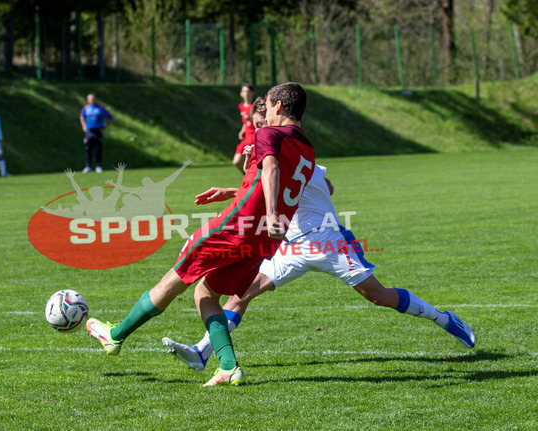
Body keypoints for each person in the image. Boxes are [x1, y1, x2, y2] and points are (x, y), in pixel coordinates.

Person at [162, 101, 476, 372]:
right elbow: (274, 187)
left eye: (262, 123)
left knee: (379, 296)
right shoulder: (274, 152)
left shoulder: (291, 152)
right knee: (240, 295)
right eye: (256, 126)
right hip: (290, 246)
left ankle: (443, 319)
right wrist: (240, 185)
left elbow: (323, 187)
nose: (258, 131)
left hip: (326, 241)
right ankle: (203, 352)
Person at [86, 82, 316, 386]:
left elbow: (271, 170)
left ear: (279, 106)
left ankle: (115, 336)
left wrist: (271, 211)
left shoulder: (269, 134)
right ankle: (229, 367)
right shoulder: (307, 150)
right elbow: (276, 182)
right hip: (264, 238)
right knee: (205, 293)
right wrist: (237, 192)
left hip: (236, 227)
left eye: (270, 105)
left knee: (175, 277)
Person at [79, 93, 113, 174]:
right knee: (88, 149)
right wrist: (84, 126)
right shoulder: (86, 108)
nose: (91, 100)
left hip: (98, 131)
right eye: (90, 99)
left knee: (98, 149)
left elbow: (110, 117)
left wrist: (104, 127)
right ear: (88, 100)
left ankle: (98, 166)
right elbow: (81, 117)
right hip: (89, 131)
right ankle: (88, 166)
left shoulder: (101, 108)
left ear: (95, 99)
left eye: (93, 99)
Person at [232, 84, 255, 172]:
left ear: (252, 93)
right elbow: (245, 123)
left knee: (252, 162)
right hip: (246, 137)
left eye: (248, 91)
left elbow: (261, 123)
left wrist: (249, 119)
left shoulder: (255, 106)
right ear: (241, 93)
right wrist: (242, 131)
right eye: (244, 91)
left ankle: (252, 177)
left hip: (254, 136)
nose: (246, 94)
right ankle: (249, 176)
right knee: (236, 161)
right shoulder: (241, 106)